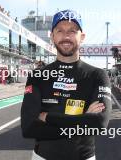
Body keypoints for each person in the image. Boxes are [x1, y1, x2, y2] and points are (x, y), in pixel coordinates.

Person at [21, 10, 112, 160]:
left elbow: (99, 123)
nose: (66, 36)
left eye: (72, 31)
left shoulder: (97, 75)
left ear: (81, 37)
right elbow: (29, 128)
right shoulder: (37, 76)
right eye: (60, 31)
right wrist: (83, 120)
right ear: (52, 36)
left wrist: (48, 117)